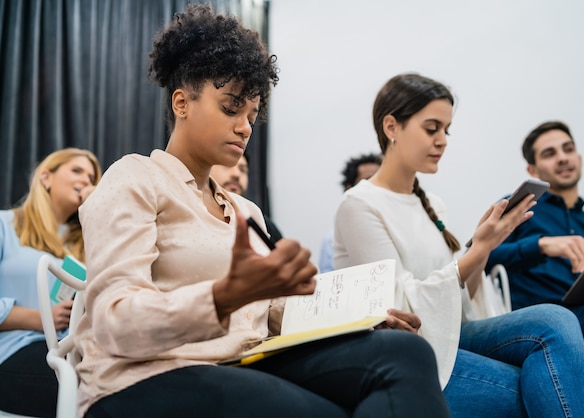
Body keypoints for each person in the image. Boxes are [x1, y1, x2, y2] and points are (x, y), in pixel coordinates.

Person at [73, 5, 450, 418]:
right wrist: (223, 296)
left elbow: (273, 311)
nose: (245, 126)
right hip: (145, 375)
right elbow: (113, 323)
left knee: (404, 352)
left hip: (244, 361)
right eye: (231, 108)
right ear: (182, 102)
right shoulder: (135, 178)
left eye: (252, 114)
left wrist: (363, 318)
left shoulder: (243, 210)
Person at [334, 73, 584, 417]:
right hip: (412, 349)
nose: (443, 140)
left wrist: (485, 248)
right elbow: (399, 309)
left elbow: (459, 302)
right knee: (583, 405)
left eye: (447, 130)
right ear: (392, 127)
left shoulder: (433, 203)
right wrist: (477, 251)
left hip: (452, 333)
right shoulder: (359, 205)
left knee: (556, 319)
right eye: (432, 129)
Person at [487, 120, 584, 380]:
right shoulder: (520, 208)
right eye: (550, 154)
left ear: (579, 158)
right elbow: (480, 257)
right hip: (547, 332)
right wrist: (541, 245)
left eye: (568, 149)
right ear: (533, 169)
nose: (562, 158)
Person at [0, 148, 101, 417]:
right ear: (46, 177)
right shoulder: (4, 225)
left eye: (92, 178)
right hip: (14, 349)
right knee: (92, 394)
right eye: (77, 171)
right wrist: (38, 318)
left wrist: (97, 216)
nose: (86, 182)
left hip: (73, 349)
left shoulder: (85, 245)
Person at [319, 153, 382, 273]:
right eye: (367, 181)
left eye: (379, 180)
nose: (375, 187)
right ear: (349, 188)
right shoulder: (330, 241)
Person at [211, 153, 283, 242]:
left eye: (243, 170)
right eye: (228, 165)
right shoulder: (194, 209)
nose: (237, 174)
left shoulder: (263, 223)